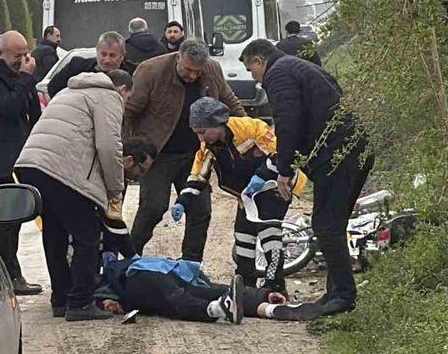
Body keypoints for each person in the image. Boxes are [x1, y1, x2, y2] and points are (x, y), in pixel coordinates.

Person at [240, 39, 375, 320]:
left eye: (251, 71)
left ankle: (343, 296)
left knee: (326, 226)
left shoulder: (278, 73)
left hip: (337, 156)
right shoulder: (300, 67)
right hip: (354, 150)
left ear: (258, 61)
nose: (254, 78)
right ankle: (335, 292)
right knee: (333, 225)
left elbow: (289, 122)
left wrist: (284, 170)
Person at [16, 69, 155, 321]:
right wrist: (115, 189)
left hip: (30, 164)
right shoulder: (109, 97)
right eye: (128, 98)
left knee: (55, 232)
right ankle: (80, 303)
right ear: (122, 90)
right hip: (59, 168)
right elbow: (108, 145)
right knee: (87, 236)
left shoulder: (69, 91)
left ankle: (60, 299)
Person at [170, 98, 308, 293]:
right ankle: (245, 282)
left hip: (276, 184)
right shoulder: (208, 148)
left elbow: (282, 153)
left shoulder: (251, 127)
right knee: (243, 235)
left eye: (202, 132)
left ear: (217, 123)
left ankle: (275, 284)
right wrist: (182, 202)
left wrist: (262, 175)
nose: (201, 138)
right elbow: (198, 177)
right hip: (247, 194)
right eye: (197, 134)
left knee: (269, 232)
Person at [125, 39, 245, 262]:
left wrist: (249, 130)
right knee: (152, 208)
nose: (192, 76)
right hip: (158, 154)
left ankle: (191, 264)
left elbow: (229, 101)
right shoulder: (151, 71)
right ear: (178, 57)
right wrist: (127, 148)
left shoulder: (212, 70)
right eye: (188, 70)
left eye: (197, 72)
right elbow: (128, 111)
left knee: (200, 211)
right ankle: (129, 256)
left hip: (196, 155)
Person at [0, 31, 42, 295]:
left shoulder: (19, 77)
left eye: (25, 54)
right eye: (17, 55)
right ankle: (6, 276)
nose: (22, 60)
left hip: (18, 156)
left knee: (8, 215)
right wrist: (25, 78)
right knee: (6, 218)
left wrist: (28, 82)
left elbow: (32, 113)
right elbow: (8, 106)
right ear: (1, 54)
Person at [94, 253, 317, 323]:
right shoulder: (104, 264)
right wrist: (105, 300)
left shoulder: (113, 264)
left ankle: (264, 306)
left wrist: (264, 293)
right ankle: (267, 308)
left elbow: (101, 281)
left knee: (178, 299)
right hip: (158, 278)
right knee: (190, 295)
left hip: (141, 278)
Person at [47, 31, 136, 99]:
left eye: (112, 55)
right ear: (97, 51)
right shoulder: (77, 66)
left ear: (122, 56)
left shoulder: (134, 73)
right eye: (103, 54)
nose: (107, 60)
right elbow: (53, 88)